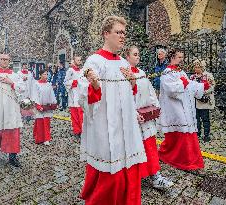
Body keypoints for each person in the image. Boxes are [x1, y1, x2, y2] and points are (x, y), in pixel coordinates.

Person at [79, 16, 146, 205]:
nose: (122, 36)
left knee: (129, 169)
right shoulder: (94, 61)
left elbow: (130, 94)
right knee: (110, 174)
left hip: (127, 127)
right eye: (118, 32)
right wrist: (93, 85)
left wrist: (133, 83)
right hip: (106, 126)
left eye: (124, 33)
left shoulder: (125, 64)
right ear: (106, 34)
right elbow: (82, 92)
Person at [126, 46, 173, 189]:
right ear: (127, 57)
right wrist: (133, 113)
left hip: (146, 118)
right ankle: (134, 177)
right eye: (135, 54)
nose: (138, 56)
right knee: (134, 148)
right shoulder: (122, 74)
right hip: (132, 119)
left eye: (138, 54)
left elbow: (150, 91)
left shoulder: (142, 72)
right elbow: (123, 98)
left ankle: (155, 176)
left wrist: (156, 107)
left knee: (150, 146)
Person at [157, 48, 210, 171]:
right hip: (175, 109)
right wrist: (183, 84)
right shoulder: (167, 72)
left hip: (185, 107)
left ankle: (187, 160)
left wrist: (202, 86)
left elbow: (190, 85)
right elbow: (170, 90)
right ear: (172, 57)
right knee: (178, 137)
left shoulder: (181, 72)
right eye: (179, 57)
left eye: (182, 57)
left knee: (186, 135)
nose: (182, 59)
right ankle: (179, 159)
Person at [190, 59, 215, 142]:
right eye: (195, 67)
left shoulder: (208, 75)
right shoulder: (192, 77)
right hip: (196, 101)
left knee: (205, 118)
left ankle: (206, 135)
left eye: (198, 67)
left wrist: (202, 92)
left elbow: (212, 87)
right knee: (196, 118)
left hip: (204, 101)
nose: (196, 69)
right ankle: (198, 133)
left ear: (202, 67)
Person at [32, 69, 57, 145]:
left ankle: (46, 139)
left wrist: (53, 103)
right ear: (40, 75)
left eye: (47, 74)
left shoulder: (48, 84)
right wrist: (37, 105)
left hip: (47, 106)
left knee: (46, 122)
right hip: (39, 105)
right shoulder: (36, 84)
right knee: (39, 122)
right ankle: (39, 138)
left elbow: (51, 94)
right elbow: (35, 95)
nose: (46, 76)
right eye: (44, 74)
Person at [64, 55, 83, 137]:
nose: (79, 61)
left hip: (81, 95)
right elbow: (65, 82)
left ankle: (83, 130)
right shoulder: (70, 71)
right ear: (74, 61)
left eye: (80, 60)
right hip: (73, 95)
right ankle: (77, 131)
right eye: (78, 60)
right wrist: (74, 82)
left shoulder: (82, 71)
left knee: (81, 115)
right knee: (75, 115)